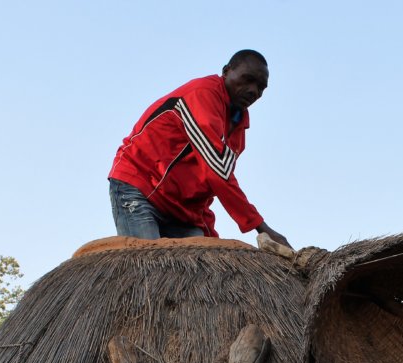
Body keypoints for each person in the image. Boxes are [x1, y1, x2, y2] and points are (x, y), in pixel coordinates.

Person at [108, 49, 291, 248]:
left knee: (208, 260)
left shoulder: (238, 127)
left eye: (261, 88)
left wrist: (209, 233)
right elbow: (217, 173)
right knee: (150, 263)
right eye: (247, 80)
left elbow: (209, 185)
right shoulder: (201, 96)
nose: (253, 91)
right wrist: (262, 228)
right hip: (140, 188)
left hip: (180, 210)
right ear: (226, 71)